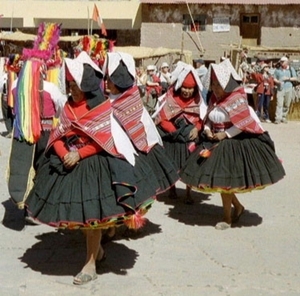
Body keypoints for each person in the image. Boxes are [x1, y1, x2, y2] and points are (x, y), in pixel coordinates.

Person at [25, 51, 179, 285]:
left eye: (74, 84)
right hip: (69, 163)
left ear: (86, 84)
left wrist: (79, 154)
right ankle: (97, 253)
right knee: (82, 217)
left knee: (92, 217)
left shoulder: (101, 107)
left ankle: (90, 264)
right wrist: (65, 153)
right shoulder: (68, 107)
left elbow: (105, 140)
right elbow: (58, 135)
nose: (71, 89)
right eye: (68, 84)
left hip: (96, 166)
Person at [179, 59, 285, 230]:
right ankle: (237, 208)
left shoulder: (237, 99)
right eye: (212, 85)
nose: (215, 88)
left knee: (225, 181)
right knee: (224, 183)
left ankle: (227, 218)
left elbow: (243, 122)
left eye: (218, 85)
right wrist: (206, 130)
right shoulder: (215, 100)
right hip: (214, 140)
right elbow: (209, 118)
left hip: (233, 143)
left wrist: (225, 134)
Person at [7, 23, 67, 216]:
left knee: (22, 167)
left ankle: (23, 201)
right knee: (43, 168)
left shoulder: (16, 85)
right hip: (45, 133)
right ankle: (38, 204)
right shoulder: (50, 88)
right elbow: (61, 107)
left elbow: (12, 107)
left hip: (22, 132)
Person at [154, 61, 207, 204]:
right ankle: (172, 188)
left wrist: (197, 128)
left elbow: (202, 118)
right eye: (184, 87)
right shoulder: (170, 99)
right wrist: (175, 132)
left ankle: (189, 191)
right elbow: (162, 118)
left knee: (190, 163)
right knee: (171, 162)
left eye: (190, 88)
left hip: (190, 137)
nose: (187, 91)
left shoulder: (198, 100)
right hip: (173, 136)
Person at [273, 56, 298, 124]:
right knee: (279, 103)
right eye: (281, 62)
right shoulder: (278, 70)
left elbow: (295, 78)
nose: (281, 63)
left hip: (288, 88)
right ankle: (278, 118)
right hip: (280, 88)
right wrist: (278, 82)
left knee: (287, 103)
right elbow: (274, 78)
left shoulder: (291, 69)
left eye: (283, 62)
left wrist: (288, 78)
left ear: (287, 62)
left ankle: (284, 117)